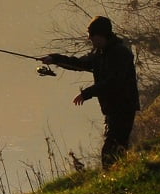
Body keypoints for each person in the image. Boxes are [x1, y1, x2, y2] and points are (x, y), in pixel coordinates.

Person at [41, 16, 139, 167]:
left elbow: (112, 82)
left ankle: (115, 178)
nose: (90, 39)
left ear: (100, 35)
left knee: (110, 151)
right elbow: (79, 64)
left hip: (124, 107)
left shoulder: (120, 53)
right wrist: (54, 59)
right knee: (116, 148)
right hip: (112, 109)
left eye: (92, 36)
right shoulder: (100, 53)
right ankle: (122, 174)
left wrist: (86, 94)